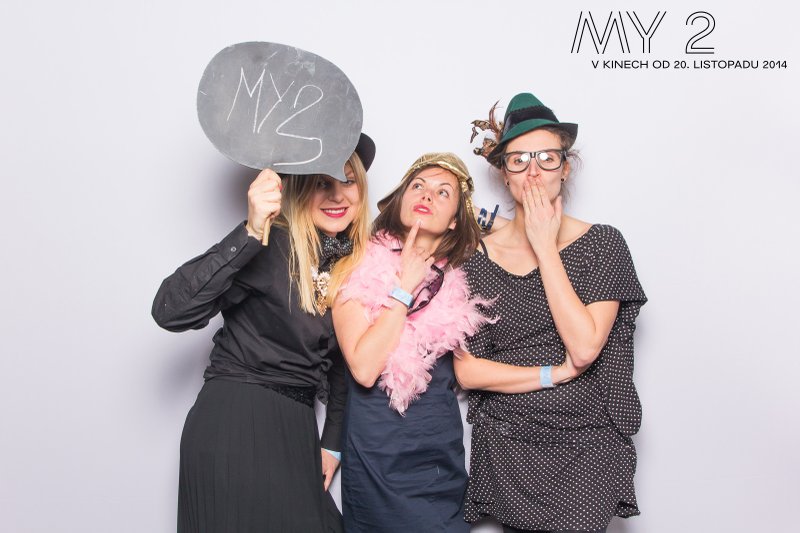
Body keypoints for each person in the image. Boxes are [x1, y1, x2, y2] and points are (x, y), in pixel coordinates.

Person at [151, 134, 375, 533]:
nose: (337, 195)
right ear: (298, 188)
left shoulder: (350, 267)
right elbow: (170, 310)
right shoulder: (270, 245)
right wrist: (252, 233)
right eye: (321, 182)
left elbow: (344, 364)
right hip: (237, 420)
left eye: (348, 180)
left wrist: (332, 443)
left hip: (295, 430)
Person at [454, 93, 647, 533]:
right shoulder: (474, 260)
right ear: (503, 173)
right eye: (519, 160)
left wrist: (545, 247)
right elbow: (468, 371)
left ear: (565, 167)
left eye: (546, 157)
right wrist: (553, 374)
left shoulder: (603, 245)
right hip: (508, 449)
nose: (534, 171)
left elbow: (583, 349)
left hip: (587, 446)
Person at [331, 153, 490, 532]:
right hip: (378, 455)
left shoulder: (461, 278)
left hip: (438, 456)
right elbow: (364, 369)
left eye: (443, 192)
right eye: (417, 186)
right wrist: (404, 288)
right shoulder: (355, 265)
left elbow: (514, 235)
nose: (427, 195)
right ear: (400, 199)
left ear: (455, 219)